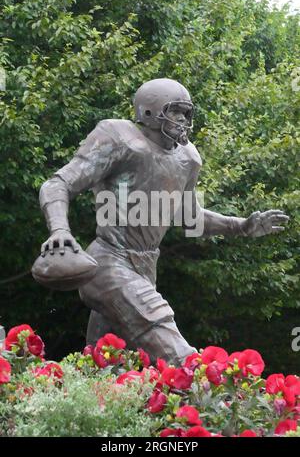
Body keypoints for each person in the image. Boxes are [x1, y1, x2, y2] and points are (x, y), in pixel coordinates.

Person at [39, 78, 289, 365]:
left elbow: (190, 218)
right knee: (162, 330)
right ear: (149, 112)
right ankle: (213, 392)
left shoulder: (187, 158)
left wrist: (241, 225)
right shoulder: (118, 137)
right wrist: (59, 229)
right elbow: (57, 184)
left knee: (111, 364)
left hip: (145, 268)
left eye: (186, 113)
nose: (183, 119)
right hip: (109, 260)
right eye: (175, 111)